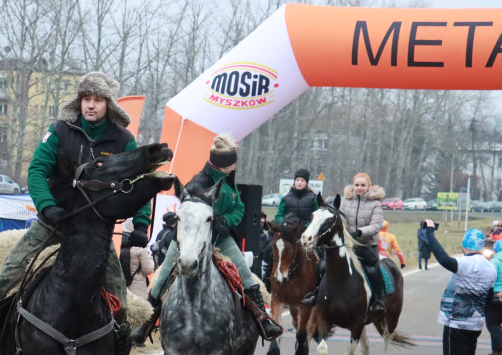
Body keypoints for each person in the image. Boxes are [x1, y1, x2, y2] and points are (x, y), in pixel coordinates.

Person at [0, 71, 151, 355]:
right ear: (80, 101)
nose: (90, 104)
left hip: (96, 233)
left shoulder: (123, 141)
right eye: (86, 98)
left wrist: (141, 222)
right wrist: (46, 207)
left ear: (108, 104)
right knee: (14, 265)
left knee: (118, 293)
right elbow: (37, 171)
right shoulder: (59, 131)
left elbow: (139, 182)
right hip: (56, 220)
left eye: (97, 99)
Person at [146, 133, 283, 341]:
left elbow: (239, 207)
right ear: (224, 164)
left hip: (221, 237)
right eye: (232, 163)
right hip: (193, 238)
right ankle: (146, 321)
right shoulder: (198, 183)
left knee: (245, 273)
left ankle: (262, 320)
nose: (234, 167)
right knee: (164, 273)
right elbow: (190, 216)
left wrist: (226, 221)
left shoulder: (228, 180)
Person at [424, 224, 498, 355]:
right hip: (474, 323)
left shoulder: (466, 263)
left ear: (465, 245)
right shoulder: (490, 267)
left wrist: (429, 233)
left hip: (456, 322)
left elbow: (444, 259)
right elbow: (489, 298)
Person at [301, 172, 386, 321]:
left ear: (369, 187)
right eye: (357, 185)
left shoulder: (376, 204)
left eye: (363, 185)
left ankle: (376, 302)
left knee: (374, 269)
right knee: (321, 265)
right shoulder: (345, 201)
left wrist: (359, 233)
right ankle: (315, 294)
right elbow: (335, 218)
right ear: (353, 186)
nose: (359, 188)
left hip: (366, 244)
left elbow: (377, 225)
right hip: (345, 245)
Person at [487, 239, 502, 355]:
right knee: (497, 324)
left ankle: (499, 348)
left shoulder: (495, 261)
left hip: (496, 295)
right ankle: (496, 350)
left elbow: (488, 279)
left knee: (492, 324)